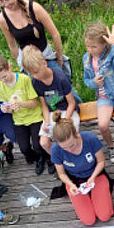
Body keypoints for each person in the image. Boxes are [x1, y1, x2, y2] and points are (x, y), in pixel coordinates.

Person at [0, 0, 77, 92]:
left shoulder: (34, 8)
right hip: (27, 61)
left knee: (66, 88)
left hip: (45, 56)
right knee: (42, 94)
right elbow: (12, 44)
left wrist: (59, 58)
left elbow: (55, 34)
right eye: (0, 2)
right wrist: (22, 65)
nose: (5, 4)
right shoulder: (2, 19)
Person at [22, 44, 79, 173]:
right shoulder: (36, 82)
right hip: (52, 113)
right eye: (32, 74)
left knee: (68, 135)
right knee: (43, 142)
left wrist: (65, 120)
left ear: (44, 62)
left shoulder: (60, 78)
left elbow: (71, 103)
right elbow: (43, 104)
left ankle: (75, 158)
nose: (35, 76)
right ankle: (60, 160)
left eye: (36, 72)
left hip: (67, 111)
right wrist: (47, 122)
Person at [51, 113, 114, 226]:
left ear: (76, 134)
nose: (69, 150)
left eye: (72, 145)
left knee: (105, 216)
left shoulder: (90, 139)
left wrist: (93, 177)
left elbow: (101, 162)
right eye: (64, 148)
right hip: (74, 180)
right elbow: (61, 174)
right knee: (88, 221)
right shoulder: (55, 149)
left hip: (95, 175)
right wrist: (70, 185)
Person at [83, 22, 114, 163]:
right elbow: (86, 80)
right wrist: (94, 83)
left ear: (104, 44)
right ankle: (111, 145)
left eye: (94, 46)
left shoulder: (112, 53)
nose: (90, 50)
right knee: (102, 125)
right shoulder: (86, 59)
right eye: (87, 46)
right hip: (104, 96)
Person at [0, 53, 47, 168]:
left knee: (38, 145)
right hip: (19, 120)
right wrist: (6, 109)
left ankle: (45, 158)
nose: (2, 80)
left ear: (9, 67)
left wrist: (20, 104)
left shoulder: (24, 79)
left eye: (4, 76)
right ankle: (38, 158)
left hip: (34, 116)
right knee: (24, 149)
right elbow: (8, 108)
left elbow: (35, 103)